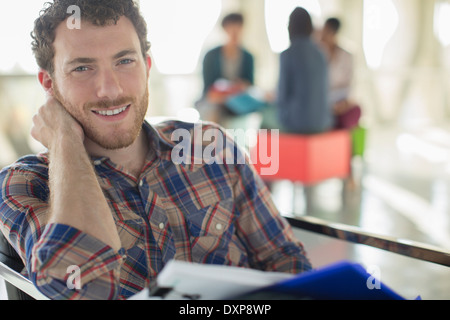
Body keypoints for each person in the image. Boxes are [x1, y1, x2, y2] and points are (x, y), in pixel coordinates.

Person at [0, 0, 311, 300]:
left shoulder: (209, 147)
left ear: (147, 67)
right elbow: (82, 288)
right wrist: (64, 140)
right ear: (49, 85)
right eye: (82, 68)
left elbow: (283, 258)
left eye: (124, 61)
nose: (110, 89)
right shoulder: (25, 184)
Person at [276, 7, 332, 134]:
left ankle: (269, 155)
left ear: (290, 27)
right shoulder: (321, 53)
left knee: (264, 119)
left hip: (298, 123)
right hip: (323, 121)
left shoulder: (288, 54)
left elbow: (282, 95)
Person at [197, 13, 255, 126]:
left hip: (239, 102)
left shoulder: (248, 57)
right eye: (231, 27)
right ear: (225, 29)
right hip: (216, 101)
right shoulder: (211, 56)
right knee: (213, 111)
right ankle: (212, 142)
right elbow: (208, 91)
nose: (235, 32)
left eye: (238, 27)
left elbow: (250, 85)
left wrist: (239, 88)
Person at [320, 17, 361, 130]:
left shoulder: (347, 56)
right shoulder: (318, 55)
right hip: (323, 103)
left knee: (355, 111)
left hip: (340, 102)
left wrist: (343, 104)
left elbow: (349, 84)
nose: (323, 35)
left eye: (326, 31)